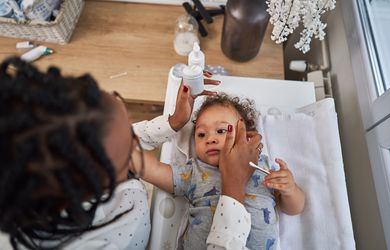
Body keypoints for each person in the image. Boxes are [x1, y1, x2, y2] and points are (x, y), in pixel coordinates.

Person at [0, 57, 261, 250]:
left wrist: (171, 122)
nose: (136, 141)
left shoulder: (65, 146)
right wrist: (233, 190)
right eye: (130, 150)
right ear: (88, 189)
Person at [131, 93, 305, 250]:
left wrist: (289, 190)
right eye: (201, 134)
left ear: (247, 137)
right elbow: (149, 168)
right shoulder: (194, 172)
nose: (210, 139)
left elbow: (293, 209)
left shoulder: (262, 167)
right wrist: (172, 123)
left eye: (221, 131)